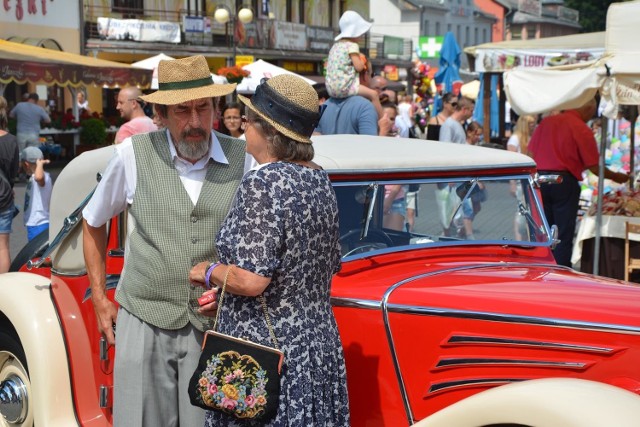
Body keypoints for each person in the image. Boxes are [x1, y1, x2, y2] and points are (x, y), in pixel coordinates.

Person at [82, 55, 245, 426]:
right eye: (182, 110)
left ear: (216, 109)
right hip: (144, 317)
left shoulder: (243, 160)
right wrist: (99, 299)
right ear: (162, 113)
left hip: (215, 324)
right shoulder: (132, 155)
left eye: (203, 109)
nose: (194, 122)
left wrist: (231, 286)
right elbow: (92, 223)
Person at [188, 74, 350, 426]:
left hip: (266, 353)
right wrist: (229, 297)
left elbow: (252, 281)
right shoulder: (319, 179)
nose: (243, 127)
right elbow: (311, 269)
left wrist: (207, 271)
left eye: (248, 120)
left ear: (268, 131)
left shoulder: (264, 180)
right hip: (316, 345)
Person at [528, 97, 629, 267]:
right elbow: (594, 167)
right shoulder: (580, 127)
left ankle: (540, 265)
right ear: (587, 109)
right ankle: (560, 270)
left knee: (541, 230)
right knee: (563, 233)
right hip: (563, 182)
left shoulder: (546, 123)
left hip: (539, 179)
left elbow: (529, 153)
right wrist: (619, 177)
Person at [325, 10, 383, 119]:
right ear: (355, 32)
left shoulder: (335, 46)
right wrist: (362, 62)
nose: (361, 37)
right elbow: (359, 67)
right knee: (374, 95)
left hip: (331, 89)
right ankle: (382, 119)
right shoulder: (352, 46)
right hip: (345, 88)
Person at [316, 59, 391, 136]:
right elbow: (370, 145)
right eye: (371, 75)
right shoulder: (365, 107)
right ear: (365, 75)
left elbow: (316, 140)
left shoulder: (325, 105)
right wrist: (383, 131)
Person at [0, 96, 19, 273]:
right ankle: (3, 288)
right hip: (4, 196)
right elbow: (14, 173)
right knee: (3, 247)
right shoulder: (11, 140)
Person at [21, 146, 52, 241]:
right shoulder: (34, 177)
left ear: (26, 164)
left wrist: (39, 164)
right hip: (35, 223)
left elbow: (39, 178)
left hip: (39, 223)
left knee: (38, 254)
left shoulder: (43, 178)